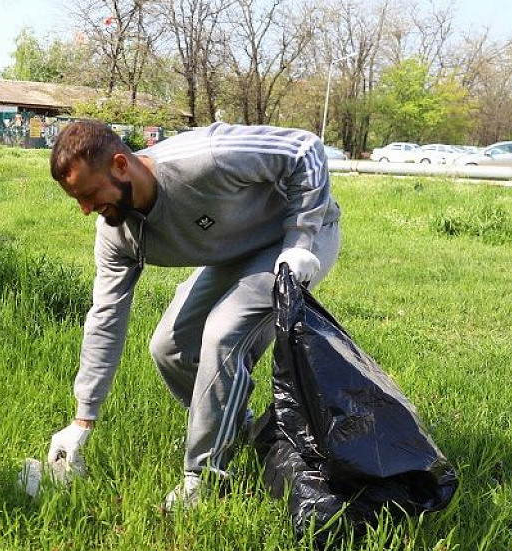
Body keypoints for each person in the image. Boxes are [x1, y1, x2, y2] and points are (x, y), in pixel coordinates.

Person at [45, 120, 342, 511]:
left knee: (223, 333)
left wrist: (300, 238)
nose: (85, 210)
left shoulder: (205, 160)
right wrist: (84, 418)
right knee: (169, 347)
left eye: (88, 194)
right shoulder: (117, 234)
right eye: (76, 200)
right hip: (234, 253)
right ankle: (243, 427)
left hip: (298, 241)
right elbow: (105, 318)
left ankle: (206, 479)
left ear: (120, 165)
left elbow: (305, 148)